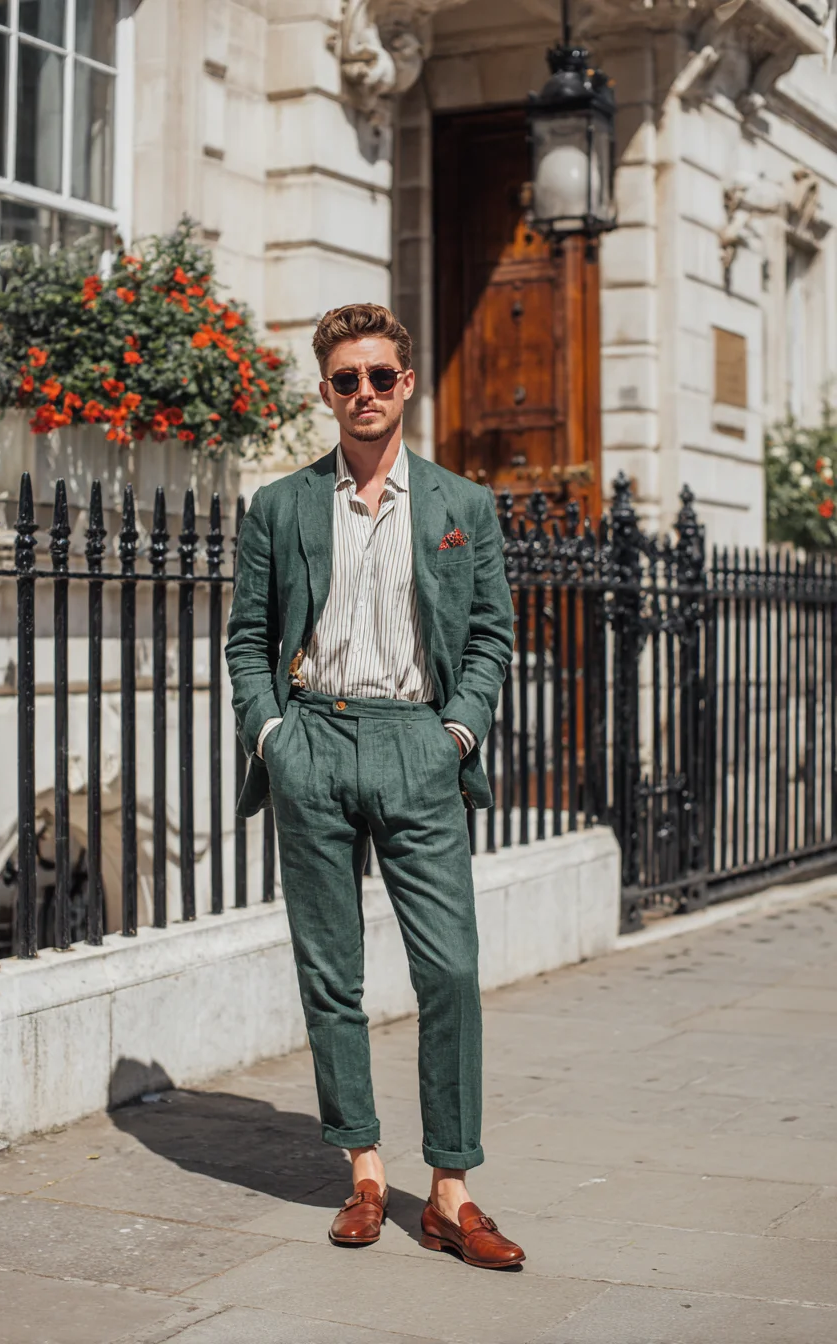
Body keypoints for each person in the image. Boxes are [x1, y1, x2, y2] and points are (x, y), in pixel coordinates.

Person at [225, 303, 524, 1270]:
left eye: (381, 376)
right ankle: (361, 1169)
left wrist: (456, 732)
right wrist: (273, 736)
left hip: (417, 744)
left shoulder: (461, 505)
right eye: (347, 379)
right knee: (332, 974)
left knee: (451, 970)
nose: (365, 392)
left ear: (407, 384)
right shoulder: (281, 506)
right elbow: (247, 639)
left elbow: (491, 634)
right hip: (312, 737)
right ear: (326, 392)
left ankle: (450, 1191)